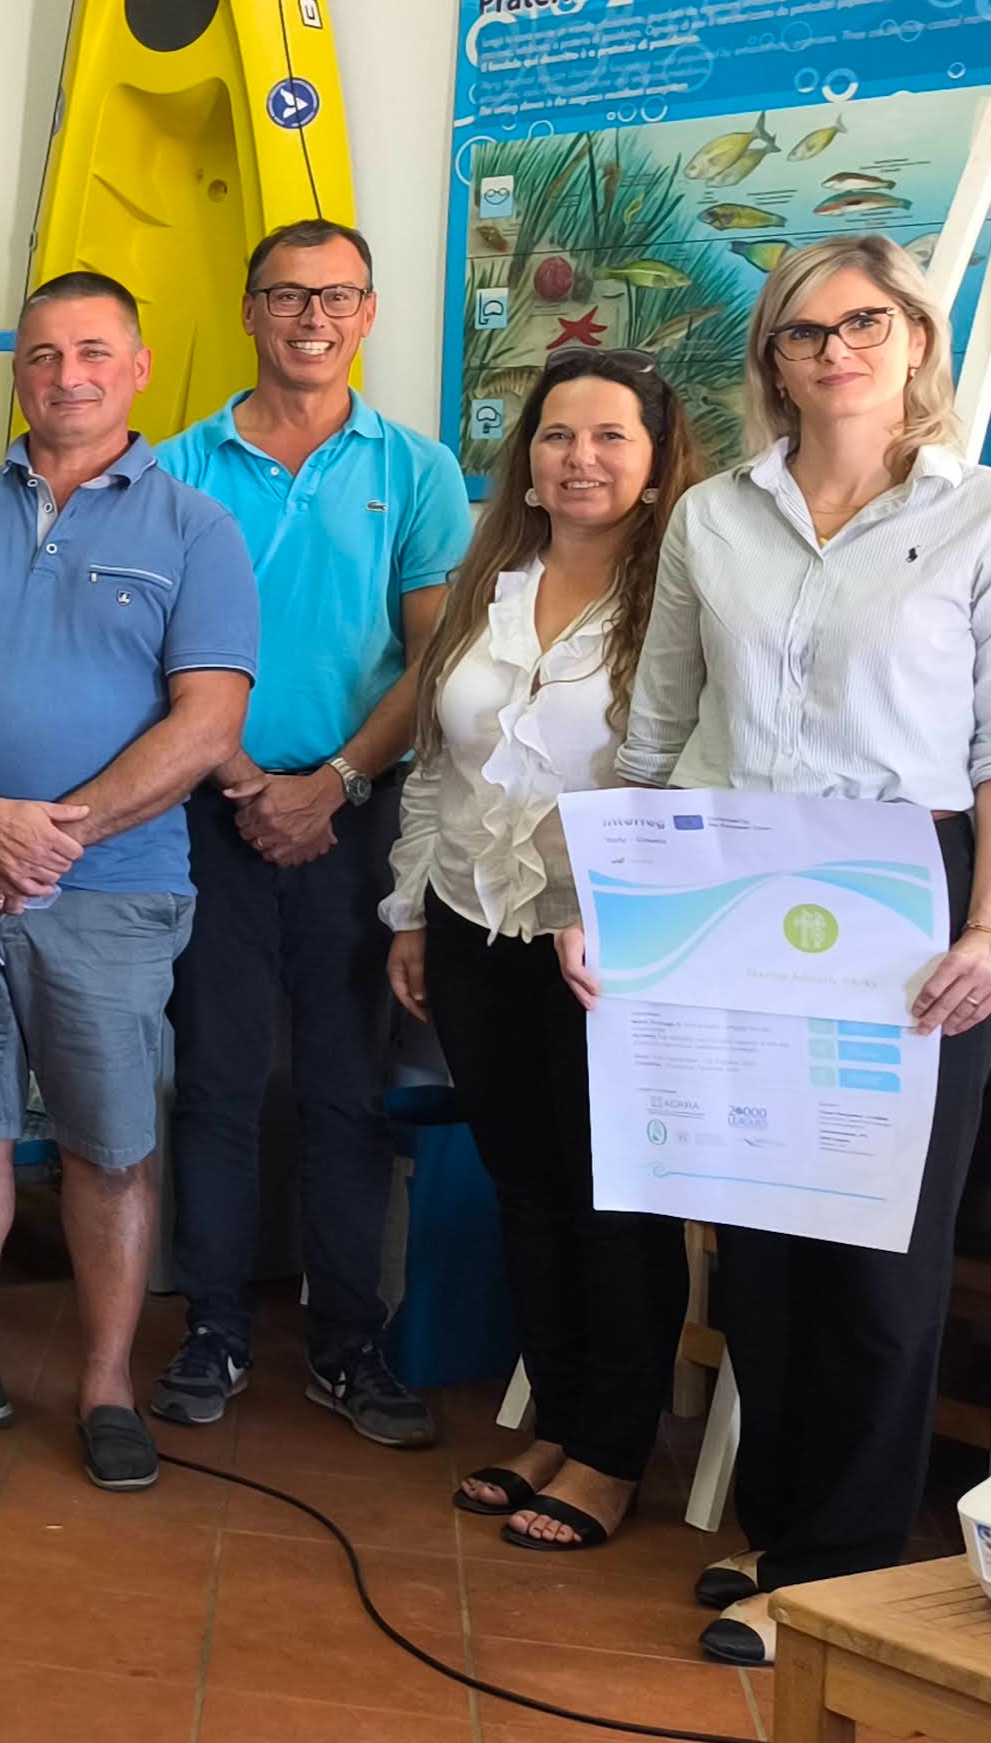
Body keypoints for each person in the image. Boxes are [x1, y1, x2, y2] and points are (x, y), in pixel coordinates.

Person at [619, 236, 991, 1666]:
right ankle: (783, 1528)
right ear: (772, 359)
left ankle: (843, 1564)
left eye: (864, 322)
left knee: (878, 1252)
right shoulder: (712, 516)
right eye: (802, 332)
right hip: (737, 888)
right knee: (757, 1246)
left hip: (906, 897)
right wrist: (612, 906)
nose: (835, 351)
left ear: (915, 337)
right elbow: (657, 732)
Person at [0, 270, 256, 1494]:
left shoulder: (195, 529)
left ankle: (106, 1387)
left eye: (90, 352)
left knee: (109, 1144)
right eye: (41, 354)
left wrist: (47, 839)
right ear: (16, 372)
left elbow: (207, 721)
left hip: (113, 893)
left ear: (137, 368)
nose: (65, 375)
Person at [155, 221, 471, 1447]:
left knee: (347, 1088)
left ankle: (348, 1340)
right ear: (248, 311)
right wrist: (243, 779)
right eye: (287, 294)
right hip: (209, 811)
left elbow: (433, 654)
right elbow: (156, 648)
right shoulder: (178, 466)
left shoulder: (417, 471)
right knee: (217, 1080)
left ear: (368, 313)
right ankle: (213, 1325)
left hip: (358, 816)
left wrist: (334, 780)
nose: (312, 317)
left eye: (337, 295)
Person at [381, 347, 694, 1555]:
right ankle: (557, 1420)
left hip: (609, 946)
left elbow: (692, 781)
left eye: (611, 436)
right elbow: (436, 764)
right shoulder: (491, 580)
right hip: (475, 922)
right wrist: (412, 909)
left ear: (656, 464)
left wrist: (629, 914)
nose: (580, 458)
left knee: (614, 1201)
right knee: (526, 1187)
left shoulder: (678, 601)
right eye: (559, 435)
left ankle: (611, 1452)